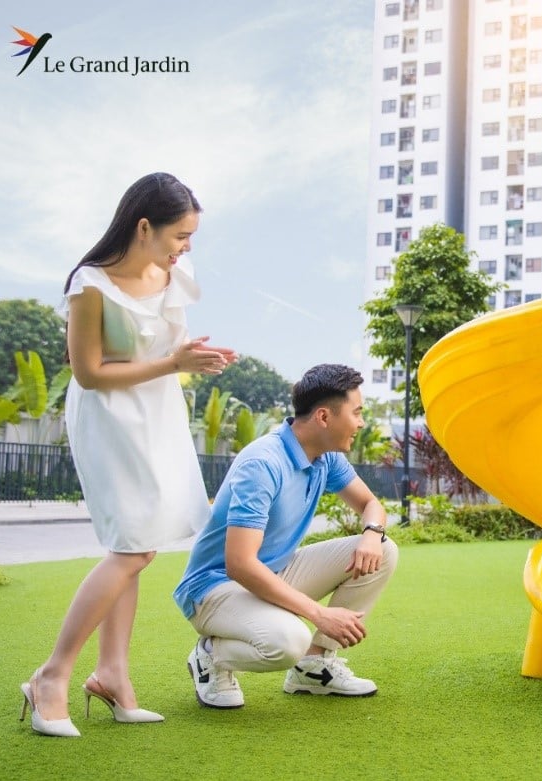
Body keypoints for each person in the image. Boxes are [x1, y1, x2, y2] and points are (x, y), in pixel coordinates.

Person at [21, 173, 237, 738]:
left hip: (157, 416)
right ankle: (51, 675)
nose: (186, 246)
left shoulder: (172, 271)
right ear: (144, 226)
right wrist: (173, 364)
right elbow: (90, 374)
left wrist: (195, 356)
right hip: (109, 420)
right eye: (180, 235)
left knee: (137, 542)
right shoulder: (90, 284)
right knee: (132, 548)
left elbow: (167, 348)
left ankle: (113, 673)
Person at [173, 364, 398, 709]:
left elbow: (370, 504)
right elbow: (240, 564)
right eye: (357, 413)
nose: (361, 422)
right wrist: (319, 615)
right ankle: (210, 655)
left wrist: (372, 533)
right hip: (213, 589)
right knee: (289, 641)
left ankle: (313, 666)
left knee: (383, 550)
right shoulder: (263, 463)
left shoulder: (327, 458)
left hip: (274, 571)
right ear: (324, 417)